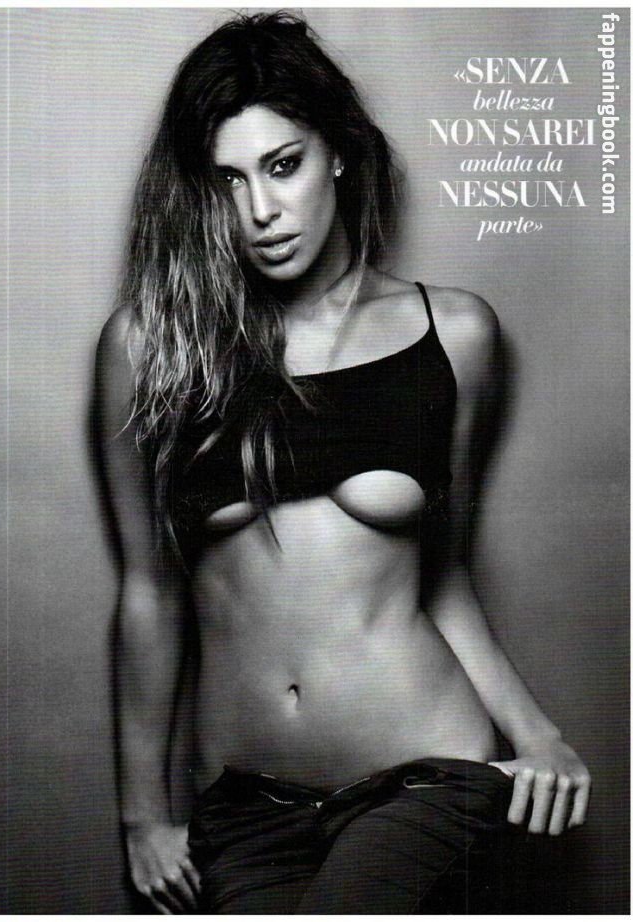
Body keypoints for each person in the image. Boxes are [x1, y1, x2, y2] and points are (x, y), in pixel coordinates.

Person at [96, 12, 590, 914]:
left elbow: (442, 575)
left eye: (283, 164)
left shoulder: (454, 334)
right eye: (230, 180)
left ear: (338, 154)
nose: (260, 211)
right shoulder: (151, 350)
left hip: (424, 777)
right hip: (241, 810)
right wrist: (145, 817)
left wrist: (536, 734)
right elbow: (149, 592)